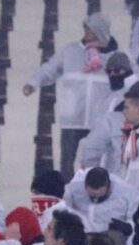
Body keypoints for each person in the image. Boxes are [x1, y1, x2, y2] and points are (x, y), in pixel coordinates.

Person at [23, 15, 117, 178]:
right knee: (67, 161)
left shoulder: (114, 56)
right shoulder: (70, 51)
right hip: (72, 117)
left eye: (90, 28)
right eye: (85, 27)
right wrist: (33, 82)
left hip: (98, 117)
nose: (86, 31)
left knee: (97, 160)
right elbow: (49, 69)